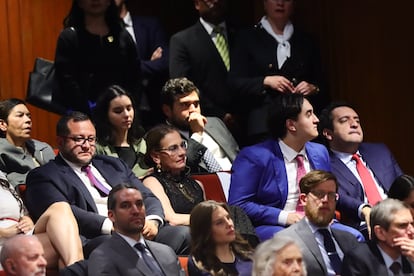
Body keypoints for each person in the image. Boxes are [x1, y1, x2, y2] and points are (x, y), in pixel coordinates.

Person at [24, 111, 190, 256]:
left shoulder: (113, 164)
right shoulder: (43, 176)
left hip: (139, 229)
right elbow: (64, 213)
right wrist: (112, 226)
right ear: (60, 142)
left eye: (91, 139)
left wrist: (153, 221)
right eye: (79, 139)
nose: (86, 145)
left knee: (186, 235)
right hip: (98, 237)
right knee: (124, 247)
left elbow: (146, 195)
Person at [228, 93, 330, 241]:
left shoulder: (320, 152)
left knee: (353, 237)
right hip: (275, 225)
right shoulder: (255, 156)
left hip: (316, 222)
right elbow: (238, 205)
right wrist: (285, 217)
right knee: (295, 242)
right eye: (309, 114)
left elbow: (329, 192)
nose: (317, 120)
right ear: (291, 125)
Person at [228, 0, 327, 144]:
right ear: (264, 3)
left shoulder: (306, 40)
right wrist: (265, 81)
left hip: (301, 123)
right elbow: (233, 83)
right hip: (262, 124)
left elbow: (322, 84)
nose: (280, 3)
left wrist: (313, 88)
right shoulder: (246, 38)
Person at [318, 102, 403, 233]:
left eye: (357, 120)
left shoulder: (380, 151)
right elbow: (336, 196)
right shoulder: (324, 162)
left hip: (401, 217)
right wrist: (363, 208)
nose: (354, 124)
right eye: (344, 120)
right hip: (363, 226)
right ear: (328, 133)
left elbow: (403, 185)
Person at [55, 0, 141, 115]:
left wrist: (127, 106)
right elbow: (66, 79)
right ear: (79, 3)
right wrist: (86, 110)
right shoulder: (69, 37)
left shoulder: (122, 35)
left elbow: (134, 75)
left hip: (120, 112)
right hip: (82, 113)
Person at [275, 170, 359, 276]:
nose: (325, 200)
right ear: (304, 199)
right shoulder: (285, 240)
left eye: (331, 195)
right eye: (319, 194)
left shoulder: (349, 239)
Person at [88, 184, 183, 275]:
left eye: (139, 204)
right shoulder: (103, 257)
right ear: (111, 216)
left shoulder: (167, 252)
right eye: (125, 205)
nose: (136, 211)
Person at [0, 171, 83, 270]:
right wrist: (3, 232)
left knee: (60, 208)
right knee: (67, 245)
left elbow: (22, 209)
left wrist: (27, 219)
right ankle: (77, 270)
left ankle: (75, 270)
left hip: (20, 235)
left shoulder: (1, 177)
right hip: (3, 244)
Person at [170, 0, 235, 122]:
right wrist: (220, 114)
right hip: (207, 118)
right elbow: (183, 85)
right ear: (197, 4)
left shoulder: (242, 34)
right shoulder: (182, 41)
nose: (215, 1)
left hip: (247, 118)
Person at [161, 77, 239, 173]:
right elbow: (184, 169)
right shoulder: (163, 137)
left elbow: (236, 154)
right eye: (185, 105)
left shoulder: (215, 123)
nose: (193, 109)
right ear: (167, 110)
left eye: (196, 104)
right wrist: (197, 134)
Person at [115, 0, 169, 128]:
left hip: (153, 106)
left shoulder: (150, 25)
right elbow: (111, 67)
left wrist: (129, 67)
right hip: (117, 109)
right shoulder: (102, 31)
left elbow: (165, 63)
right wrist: (149, 64)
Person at [143, 124, 205, 226]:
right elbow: (172, 219)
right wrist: (210, 217)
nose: (182, 152)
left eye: (182, 145)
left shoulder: (197, 184)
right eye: (173, 148)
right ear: (156, 156)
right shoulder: (152, 182)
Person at [342, 198, 414, 275]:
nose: (412, 231)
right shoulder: (357, 259)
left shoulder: (411, 255)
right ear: (380, 233)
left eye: (412, 224)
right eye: (402, 226)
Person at [94, 85, 149, 179]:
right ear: (105, 115)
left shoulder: (142, 145)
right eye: (118, 111)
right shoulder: (97, 149)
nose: (127, 115)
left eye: (129, 108)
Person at [188, 200, 253, 276]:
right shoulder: (201, 266)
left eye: (228, 218)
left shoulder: (246, 254)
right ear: (205, 230)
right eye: (219, 223)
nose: (229, 224)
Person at [0, 98, 55, 187]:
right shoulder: (2, 153)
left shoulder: (43, 148)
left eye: (29, 116)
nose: (28, 120)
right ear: (3, 125)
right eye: (20, 115)